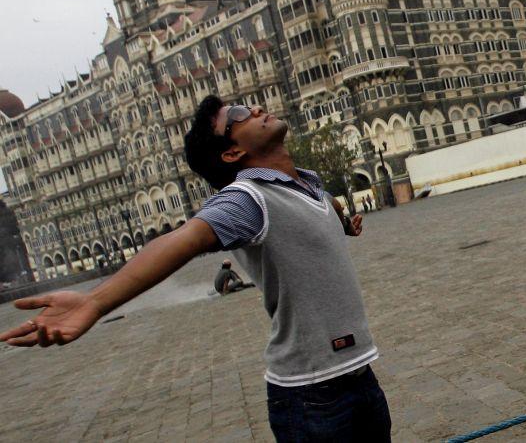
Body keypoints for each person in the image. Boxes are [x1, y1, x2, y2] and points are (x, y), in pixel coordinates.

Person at [0, 97, 391, 442]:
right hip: (314, 396)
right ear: (232, 153)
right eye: (237, 116)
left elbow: (324, 207)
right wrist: (95, 302)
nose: (254, 108)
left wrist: (344, 225)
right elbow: (181, 240)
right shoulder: (247, 199)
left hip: (359, 374)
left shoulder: (309, 185)